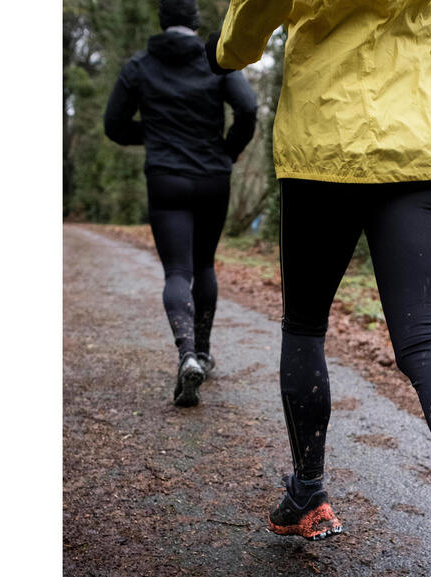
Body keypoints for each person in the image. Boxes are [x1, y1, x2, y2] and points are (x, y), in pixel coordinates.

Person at [207, 0, 431, 577]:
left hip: (323, 146)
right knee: (424, 339)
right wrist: (407, 63)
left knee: (304, 326)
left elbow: (238, 43)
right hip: (416, 145)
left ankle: (308, 493)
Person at [105, 0, 257, 407]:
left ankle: (186, 353)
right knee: (204, 265)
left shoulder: (140, 65)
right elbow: (248, 108)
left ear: (162, 21)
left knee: (177, 270)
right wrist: (228, 150)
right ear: (194, 21)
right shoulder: (217, 60)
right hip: (212, 176)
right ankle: (203, 354)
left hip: (166, 179)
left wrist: (156, 136)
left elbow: (113, 125)